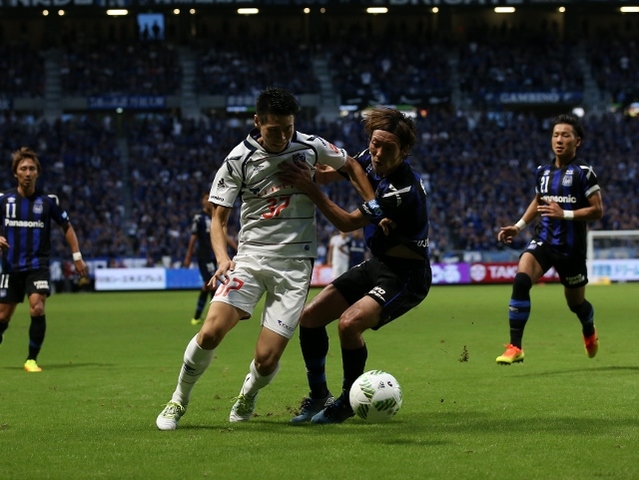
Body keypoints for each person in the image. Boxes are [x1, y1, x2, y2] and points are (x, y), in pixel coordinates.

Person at [156, 87, 374, 430]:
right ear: (258, 122)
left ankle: (249, 393)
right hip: (250, 258)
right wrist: (222, 259)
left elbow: (351, 165)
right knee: (211, 332)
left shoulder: (311, 146)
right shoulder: (237, 160)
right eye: (274, 130)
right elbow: (219, 220)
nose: (283, 137)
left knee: (266, 359)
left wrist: (373, 204)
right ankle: (178, 399)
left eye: (288, 129)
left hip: (295, 265)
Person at [278, 106, 432, 424]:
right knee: (309, 318)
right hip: (377, 264)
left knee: (349, 324)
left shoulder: (402, 190)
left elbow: (347, 223)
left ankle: (347, 401)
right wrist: (305, 169)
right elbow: (335, 172)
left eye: (388, 147)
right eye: (375, 143)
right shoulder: (369, 159)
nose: (378, 153)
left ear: (404, 150)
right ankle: (318, 395)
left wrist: (310, 188)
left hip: (406, 276)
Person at [495, 114, 603, 365]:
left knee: (576, 304)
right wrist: (519, 226)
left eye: (566, 135)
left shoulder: (584, 173)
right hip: (544, 240)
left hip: (572, 250)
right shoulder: (542, 172)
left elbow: (597, 210)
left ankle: (588, 326)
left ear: (577, 141)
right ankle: (515, 346)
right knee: (521, 280)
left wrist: (564, 214)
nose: (559, 140)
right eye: (556, 135)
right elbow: (538, 201)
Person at [0, 147, 88, 372]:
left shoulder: (47, 202)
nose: (28, 173)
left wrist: (77, 256)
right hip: (10, 266)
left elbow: (66, 226)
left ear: (37, 173)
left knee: (37, 307)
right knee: (2, 315)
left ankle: (31, 359)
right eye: (23, 169)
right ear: (15, 173)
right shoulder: (4, 200)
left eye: (32, 169)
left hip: (37, 266)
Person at [183, 192, 237, 326]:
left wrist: (236, 248)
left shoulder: (215, 216)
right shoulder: (199, 218)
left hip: (215, 255)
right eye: (206, 198)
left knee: (207, 285)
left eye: (209, 198)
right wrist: (188, 256)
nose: (208, 201)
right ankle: (216, 316)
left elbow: (224, 236)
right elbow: (193, 237)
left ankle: (197, 317)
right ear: (202, 201)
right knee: (212, 283)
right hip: (204, 255)